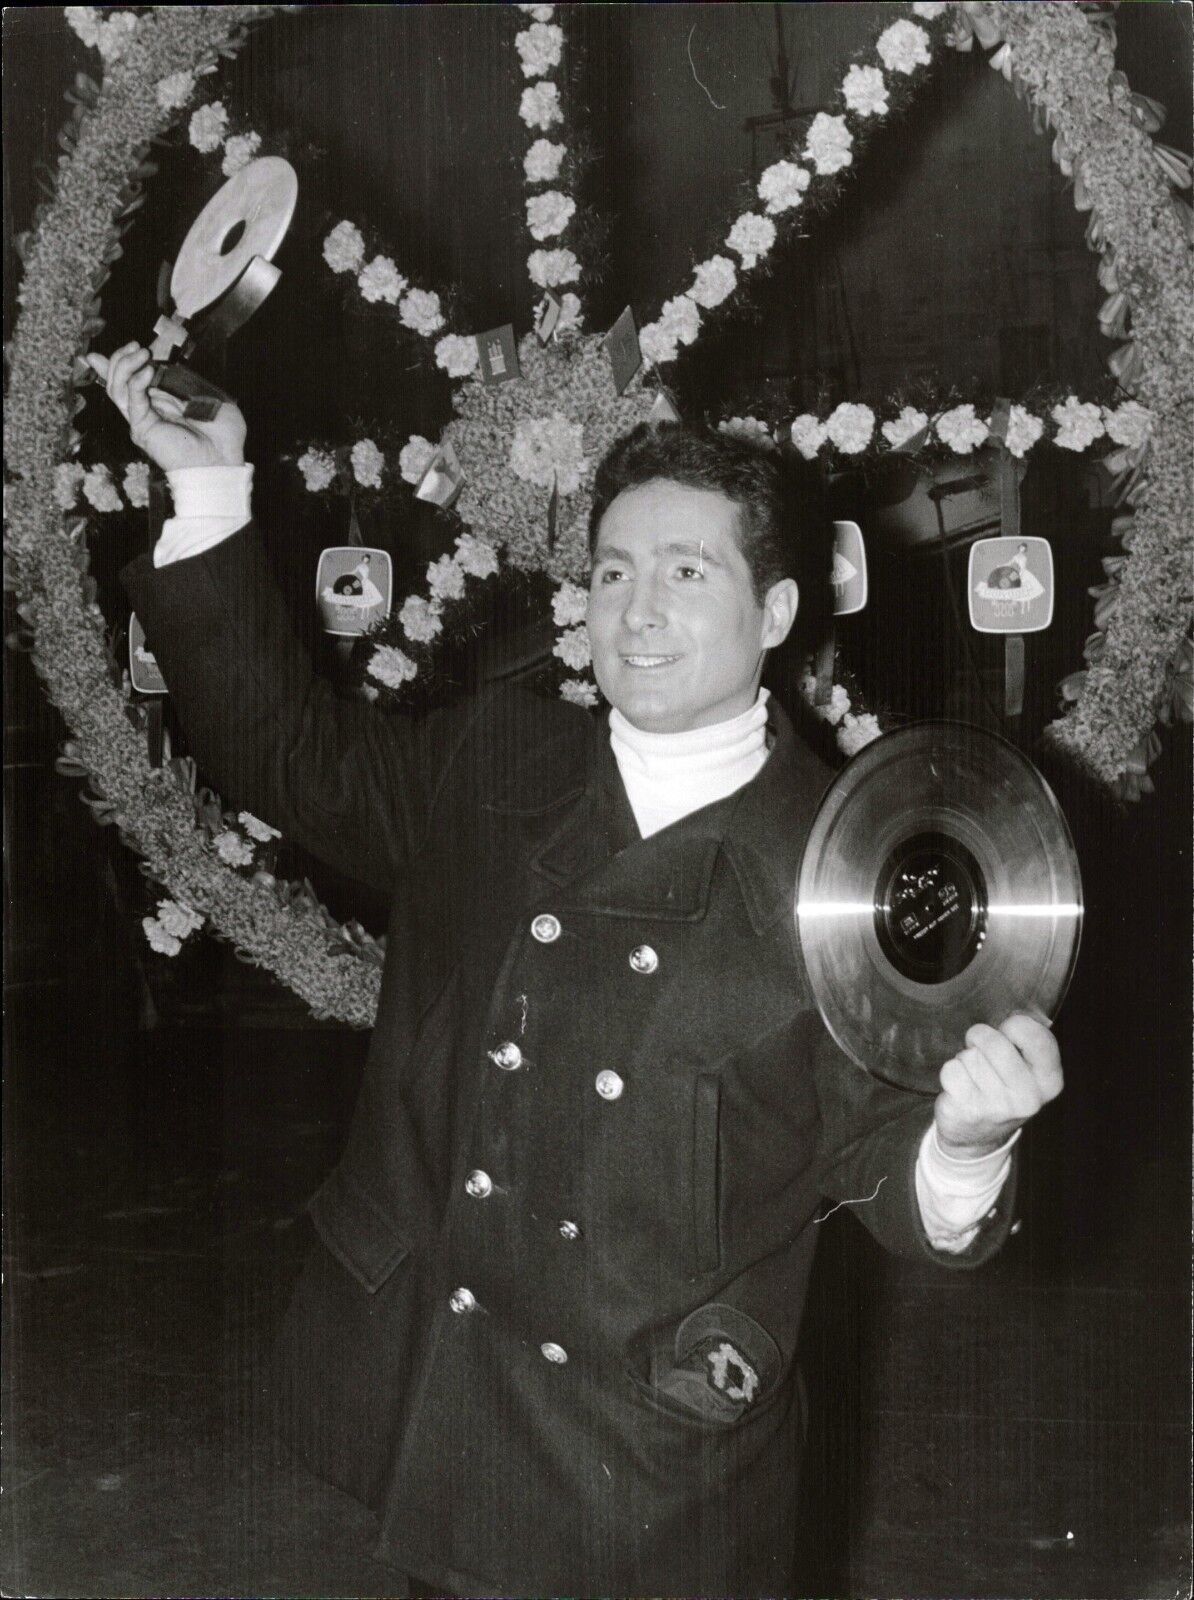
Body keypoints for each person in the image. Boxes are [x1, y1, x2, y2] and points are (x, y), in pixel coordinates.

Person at [90, 342, 1063, 1597]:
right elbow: (287, 749)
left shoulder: (848, 865)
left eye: (686, 571)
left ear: (775, 614)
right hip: (450, 1410)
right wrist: (213, 494)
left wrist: (972, 1140)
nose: (637, 610)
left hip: (652, 1461)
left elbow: (888, 1174)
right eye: (612, 571)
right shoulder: (499, 759)